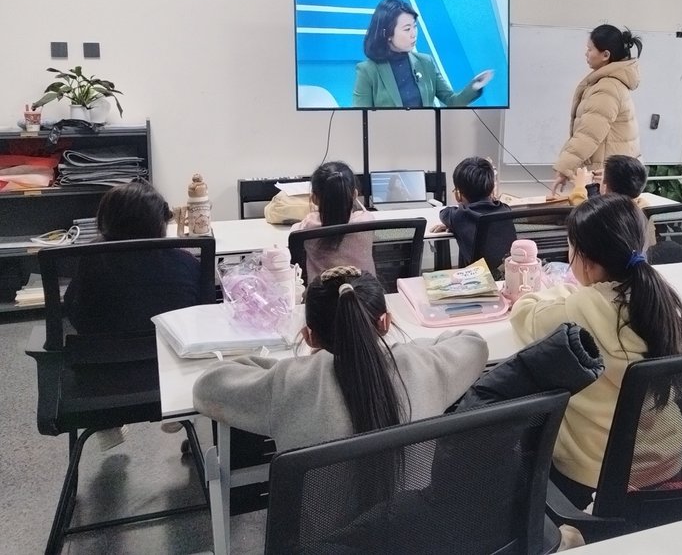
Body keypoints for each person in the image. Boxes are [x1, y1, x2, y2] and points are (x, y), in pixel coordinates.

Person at [510, 195, 682, 508]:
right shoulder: (660, 299)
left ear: (587, 263)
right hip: (667, 462)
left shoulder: (579, 308)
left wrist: (566, 291)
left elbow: (524, 314)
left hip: (596, 476)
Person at [193, 266, 488, 453]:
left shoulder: (288, 382)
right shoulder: (424, 366)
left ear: (309, 336)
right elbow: (474, 344)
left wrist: (281, 369)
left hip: (323, 533)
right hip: (415, 526)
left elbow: (207, 386)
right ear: (385, 323)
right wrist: (409, 349)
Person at [64, 180, 215, 335]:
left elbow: (74, 312)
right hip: (171, 347)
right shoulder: (186, 263)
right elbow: (206, 312)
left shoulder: (91, 259)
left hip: (103, 348)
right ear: (160, 223)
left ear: (106, 220)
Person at [352, 0, 494, 108]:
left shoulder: (426, 63)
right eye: (407, 29)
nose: (413, 34)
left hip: (426, 132)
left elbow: (452, 101)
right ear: (387, 33)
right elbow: (360, 117)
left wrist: (474, 87)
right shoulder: (367, 71)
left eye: (415, 27)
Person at [552, 24, 643, 193]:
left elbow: (588, 135)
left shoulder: (607, 88)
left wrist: (564, 167)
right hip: (612, 174)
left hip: (609, 179)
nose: (586, 53)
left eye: (590, 49)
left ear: (605, 55)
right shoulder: (607, 83)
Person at [292, 161, 375, 286]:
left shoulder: (308, 226)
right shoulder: (367, 221)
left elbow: (293, 234)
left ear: (314, 199)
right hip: (365, 295)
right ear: (355, 195)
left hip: (322, 297)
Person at [434, 156, 514, 270]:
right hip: (508, 274)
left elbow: (444, 213)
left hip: (478, 278)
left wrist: (453, 223)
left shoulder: (459, 216)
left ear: (458, 194)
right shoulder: (505, 210)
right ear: (492, 188)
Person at [567, 153, 648, 207]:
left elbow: (581, 212)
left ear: (605, 187)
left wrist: (579, 187)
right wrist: (609, 176)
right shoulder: (642, 208)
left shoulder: (607, 213)